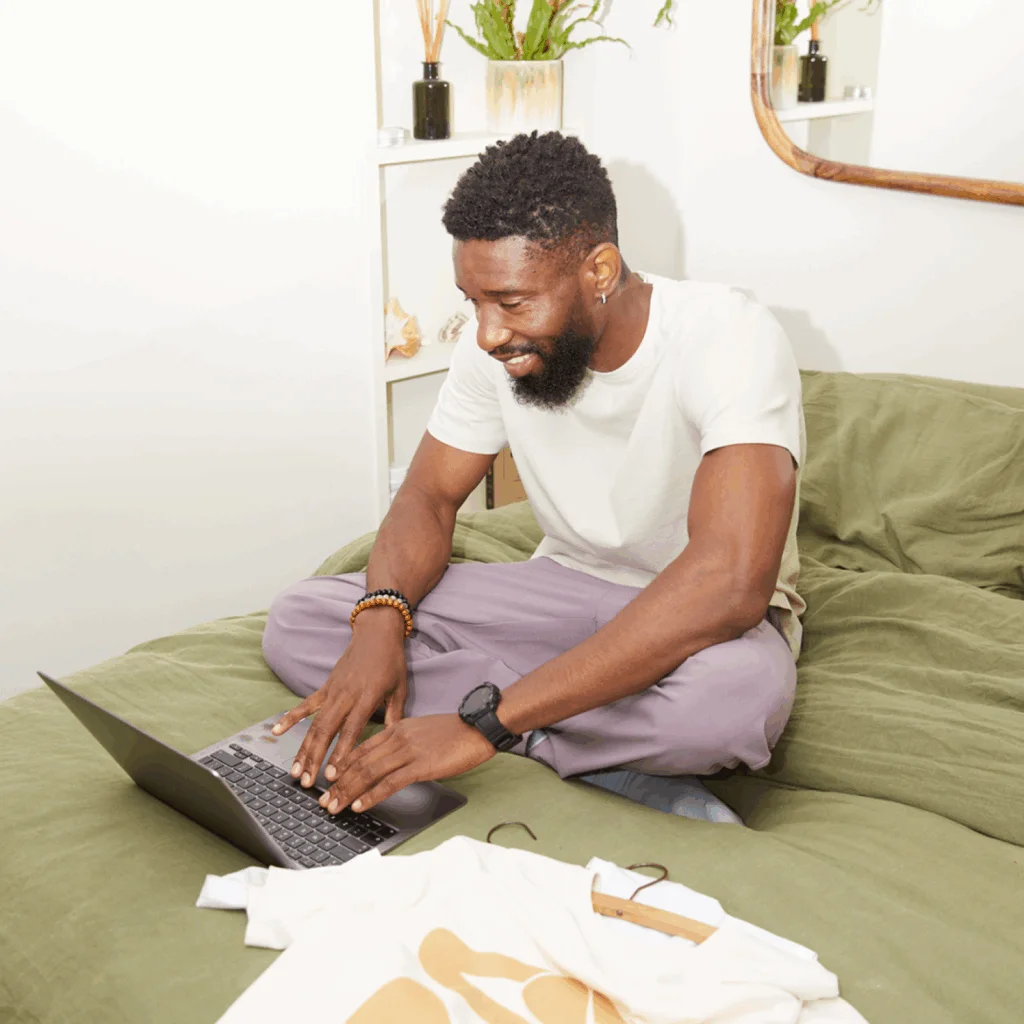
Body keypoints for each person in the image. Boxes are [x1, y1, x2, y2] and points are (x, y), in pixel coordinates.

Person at [261, 131, 805, 826]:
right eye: (474, 300)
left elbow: (728, 582)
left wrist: (482, 725)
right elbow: (429, 496)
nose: (488, 333)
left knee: (733, 703)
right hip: (559, 591)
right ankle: (600, 756)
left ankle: (514, 723)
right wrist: (378, 626)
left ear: (599, 270)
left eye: (512, 303)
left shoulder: (729, 335)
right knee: (300, 621)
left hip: (697, 619)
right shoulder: (491, 346)